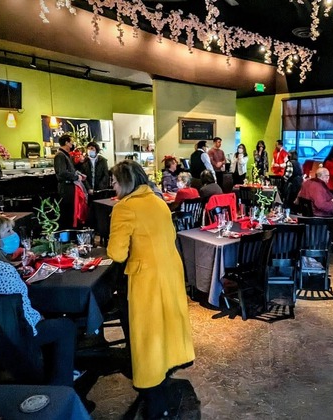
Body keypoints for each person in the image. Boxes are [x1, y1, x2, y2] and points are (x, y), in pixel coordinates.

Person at [107, 160, 195, 419]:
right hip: (170, 269)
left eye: (114, 180)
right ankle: (168, 365)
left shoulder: (125, 208)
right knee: (167, 322)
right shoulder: (157, 200)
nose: (111, 184)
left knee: (146, 330)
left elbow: (116, 252)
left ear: (125, 181)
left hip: (145, 275)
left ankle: (151, 384)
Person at [0, 215, 76, 386]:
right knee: (65, 326)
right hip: (13, 336)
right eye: (8, 231)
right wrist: (40, 318)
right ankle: (61, 386)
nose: (13, 234)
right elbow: (23, 314)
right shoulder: (3, 270)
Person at [54, 134, 86, 229]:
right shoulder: (60, 155)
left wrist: (79, 174)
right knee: (68, 212)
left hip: (70, 187)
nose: (72, 144)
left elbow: (71, 169)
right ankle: (68, 235)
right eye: (71, 142)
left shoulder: (66, 155)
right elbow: (62, 172)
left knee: (72, 211)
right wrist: (76, 177)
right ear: (67, 143)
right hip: (66, 188)